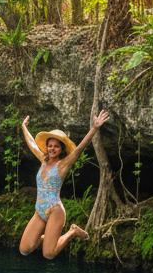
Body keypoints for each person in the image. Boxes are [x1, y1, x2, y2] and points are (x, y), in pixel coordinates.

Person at [19, 111, 111, 258]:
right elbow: (31, 144)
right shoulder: (43, 159)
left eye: (56, 146)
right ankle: (49, 238)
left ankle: (73, 231)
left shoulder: (63, 165)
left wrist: (94, 128)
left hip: (55, 211)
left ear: (61, 149)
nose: (52, 149)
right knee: (24, 249)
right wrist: (24, 127)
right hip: (40, 210)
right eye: (50, 146)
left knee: (48, 253)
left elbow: (80, 148)